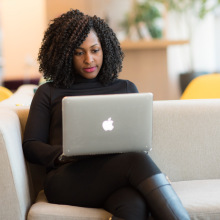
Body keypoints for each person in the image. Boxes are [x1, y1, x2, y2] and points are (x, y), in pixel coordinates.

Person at [23, 9, 190, 220]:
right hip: (67, 179)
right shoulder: (49, 92)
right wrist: (63, 154)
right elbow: (31, 145)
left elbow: (136, 140)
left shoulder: (126, 88)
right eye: (79, 52)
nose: (89, 59)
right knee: (136, 162)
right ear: (65, 54)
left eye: (95, 50)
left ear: (105, 50)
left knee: (134, 204)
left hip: (117, 176)